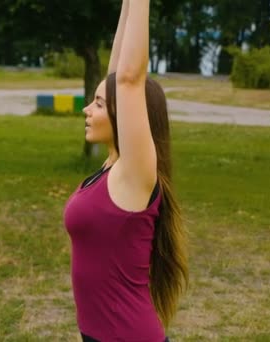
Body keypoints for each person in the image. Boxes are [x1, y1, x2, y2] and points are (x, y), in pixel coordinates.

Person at [63, 1, 188, 341]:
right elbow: (119, 74)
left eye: (99, 104)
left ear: (128, 115)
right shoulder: (113, 166)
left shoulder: (134, 174)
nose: (88, 109)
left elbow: (130, 78)